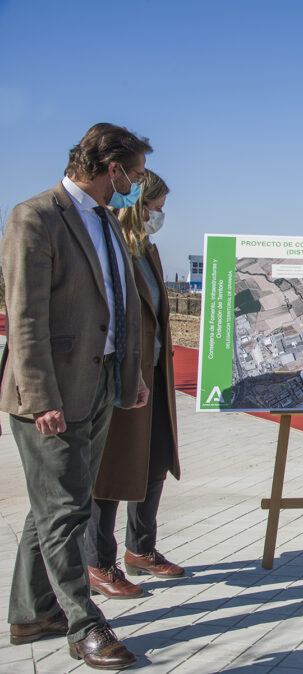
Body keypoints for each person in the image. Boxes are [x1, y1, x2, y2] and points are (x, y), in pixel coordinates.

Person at [1, 123, 151, 669]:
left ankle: (31, 612)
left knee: (55, 508)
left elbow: (120, 304)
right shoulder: (35, 217)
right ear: (111, 169)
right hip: (52, 394)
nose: (136, 185)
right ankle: (84, 626)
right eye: (133, 174)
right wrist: (41, 397)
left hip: (99, 386)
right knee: (65, 510)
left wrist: (129, 374)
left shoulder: (106, 222)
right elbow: (25, 318)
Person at [85, 170, 183, 600]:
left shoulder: (149, 250)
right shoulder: (109, 251)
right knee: (111, 472)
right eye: (156, 208)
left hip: (155, 376)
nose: (160, 216)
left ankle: (140, 549)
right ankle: (98, 562)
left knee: (156, 461)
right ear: (135, 207)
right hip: (120, 380)